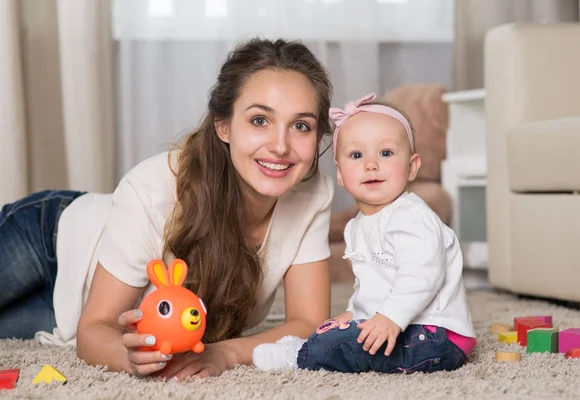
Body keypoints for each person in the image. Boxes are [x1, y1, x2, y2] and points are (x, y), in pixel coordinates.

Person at [0, 38, 336, 380]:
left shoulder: (312, 193)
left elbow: (308, 323)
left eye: (300, 126)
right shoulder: (151, 189)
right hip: (47, 238)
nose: (280, 146)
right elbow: (95, 327)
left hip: (63, 311)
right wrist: (128, 359)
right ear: (223, 125)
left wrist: (225, 352)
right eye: (260, 120)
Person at [252, 93, 477, 373]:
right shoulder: (358, 225)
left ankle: (299, 357)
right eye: (357, 155)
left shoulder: (411, 216)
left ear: (411, 167)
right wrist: (353, 314)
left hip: (437, 334)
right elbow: (371, 284)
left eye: (385, 153)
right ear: (341, 174)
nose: (371, 164)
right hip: (403, 323)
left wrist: (390, 318)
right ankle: (317, 344)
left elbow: (423, 274)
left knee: (345, 345)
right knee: (334, 330)